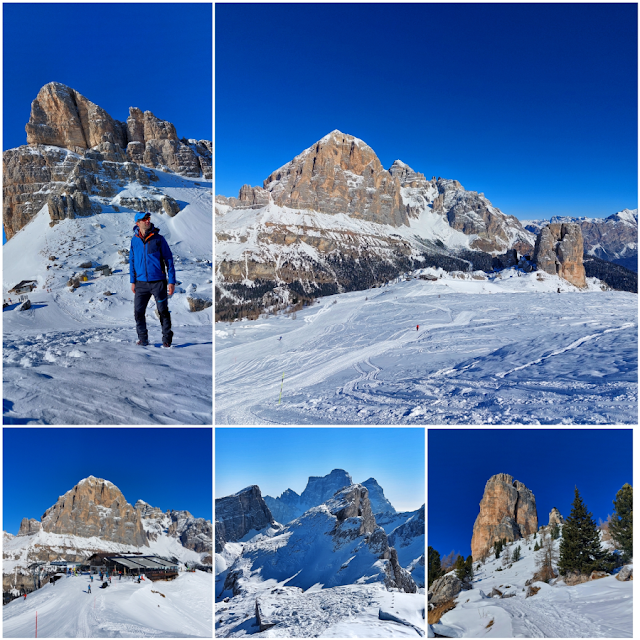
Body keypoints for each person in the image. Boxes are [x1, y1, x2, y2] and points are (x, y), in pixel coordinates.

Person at [129, 212, 176, 348]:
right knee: (138, 313)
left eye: (148, 218)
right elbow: (132, 261)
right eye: (144, 219)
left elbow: (169, 260)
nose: (147, 221)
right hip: (140, 283)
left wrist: (171, 281)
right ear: (137, 223)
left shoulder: (158, 239)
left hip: (158, 282)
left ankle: (167, 340)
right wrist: (133, 281)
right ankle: (143, 339)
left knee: (163, 311)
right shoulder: (134, 240)